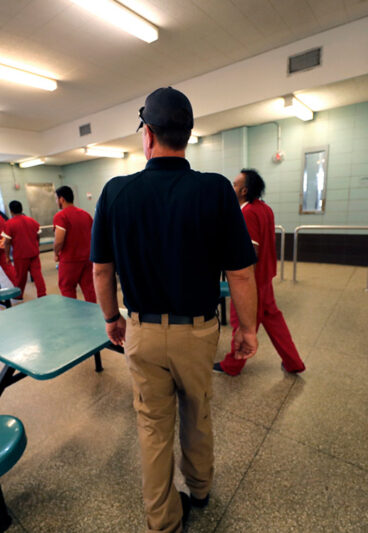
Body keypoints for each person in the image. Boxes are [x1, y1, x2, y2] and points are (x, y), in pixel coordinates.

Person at [91, 87, 258, 533]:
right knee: (198, 413)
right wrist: (249, 330)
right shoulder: (216, 190)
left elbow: (102, 272)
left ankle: (163, 521)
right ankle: (200, 490)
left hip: (142, 331)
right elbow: (241, 274)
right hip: (198, 331)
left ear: (147, 135)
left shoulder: (115, 193)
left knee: (152, 425)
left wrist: (112, 319)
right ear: (187, 135)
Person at [214, 169, 306, 376]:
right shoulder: (264, 209)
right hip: (265, 278)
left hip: (253, 282)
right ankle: (294, 362)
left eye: (235, 184)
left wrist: (244, 284)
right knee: (274, 321)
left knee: (242, 322)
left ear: (244, 190)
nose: (232, 188)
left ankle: (233, 365)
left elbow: (251, 251)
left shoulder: (247, 213)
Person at [53, 185, 96, 302]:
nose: (56, 201)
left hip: (70, 259)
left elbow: (59, 240)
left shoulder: (61, 216)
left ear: (62, 199)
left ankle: (72, 316)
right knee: (89, 288)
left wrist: (56, 253)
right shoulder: (85, 214)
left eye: (56, 199)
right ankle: (94, 314)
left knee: (67, 287)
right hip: (88, 258)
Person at [2, 200, 46, 299]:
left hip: (20, 255)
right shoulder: (32, 221)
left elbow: (7, 242)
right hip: (34, 253)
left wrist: (7, 256)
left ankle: (18, 295)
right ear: (22, 209)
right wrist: (36, 246)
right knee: (37, 275)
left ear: (11, 211)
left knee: (21, 277)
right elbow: (38, 236)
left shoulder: (9, 224)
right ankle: (42, 294)